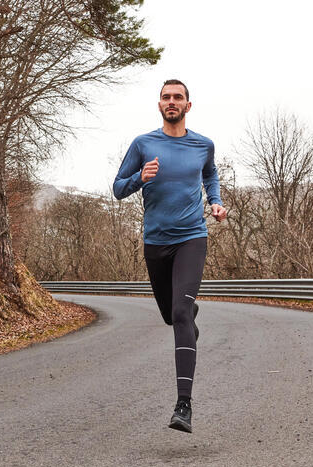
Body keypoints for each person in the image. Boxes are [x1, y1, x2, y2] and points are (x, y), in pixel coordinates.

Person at [113, 79, 227, 433]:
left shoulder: (203, 145)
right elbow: (117, 188)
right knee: (173, 315)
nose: (172, 102)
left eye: (178, 97)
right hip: (155, 242)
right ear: (159, 104)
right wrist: (139, 178)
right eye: (166, 97)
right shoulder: (143, 144)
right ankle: (188, 314)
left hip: (192, 237)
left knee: (179, 311)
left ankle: (184, 404)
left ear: (188, 106)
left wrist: (216, 201)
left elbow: (210, 175)